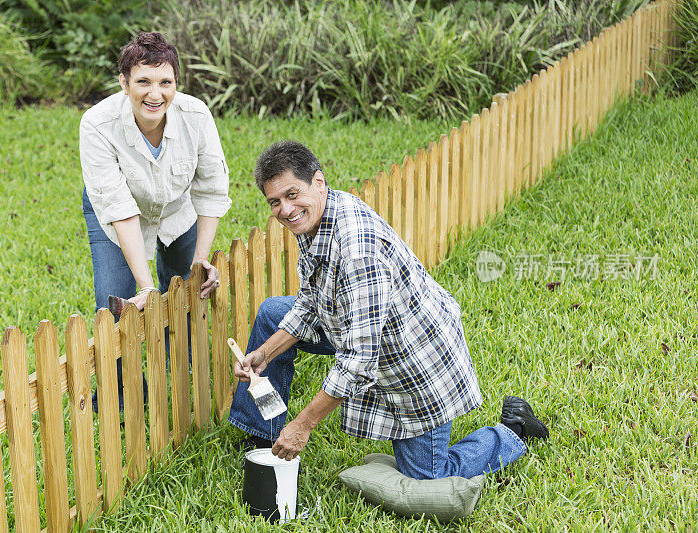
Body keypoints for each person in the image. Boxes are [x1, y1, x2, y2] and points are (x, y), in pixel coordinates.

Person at [228, 141, 548, 480]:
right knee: (273, 313)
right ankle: (263, 435)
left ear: (318, 182)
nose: (286, 209)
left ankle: (512, 430)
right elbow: (310, 300)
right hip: (357, 326)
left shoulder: (357, 251)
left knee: (428, 476)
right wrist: (266, 353)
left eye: (292, 195)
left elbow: (359, 362)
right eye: (275, 202)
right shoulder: (317, 216)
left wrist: (303, 425)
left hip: (414, 359)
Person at [80, 32, 231, 409]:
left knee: (184, 287)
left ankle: (182, 366)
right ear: (124, 83)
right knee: (113, 300)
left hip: (177, 210)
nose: (155, 93)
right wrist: (144, 285)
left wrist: (200, 260)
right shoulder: (97, 124)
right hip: (115, 216)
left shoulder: (196, 117)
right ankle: (119, 392)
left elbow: (211, 192)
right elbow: (120, 210)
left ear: (176, 84)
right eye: (143, 81)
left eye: (165, 82)